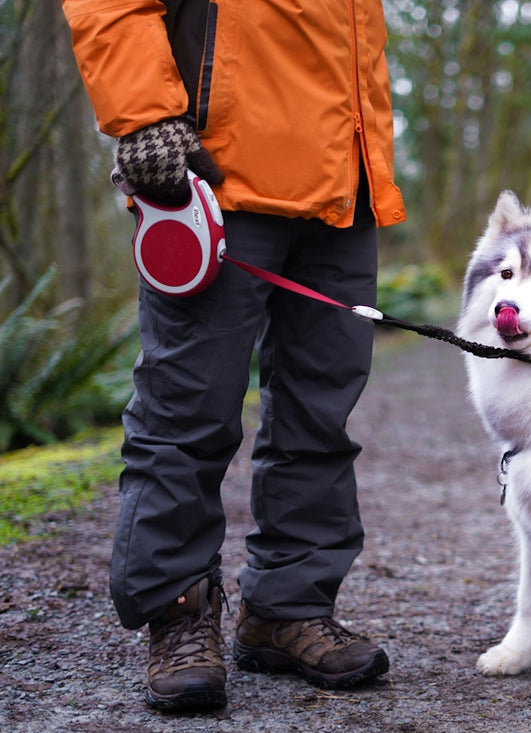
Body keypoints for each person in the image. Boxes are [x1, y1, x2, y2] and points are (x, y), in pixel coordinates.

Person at [62, 0, 406, 712]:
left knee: (321, 414)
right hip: (217, 171)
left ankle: (287, 606)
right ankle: (180, 612)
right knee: (187, 409)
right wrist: (144, 113)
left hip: (347, 177)